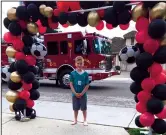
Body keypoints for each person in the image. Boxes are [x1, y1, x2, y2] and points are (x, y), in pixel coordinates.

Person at [69, 56, 90, 126]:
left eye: (81, 63)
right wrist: (75, 93)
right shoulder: (72, 74)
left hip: (83, 95)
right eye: (78, 63)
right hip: (74, 94)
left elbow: (87, 85)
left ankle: (85, 120)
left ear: (83, 64)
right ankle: (75, 120)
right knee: (75, 108)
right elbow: (71, 84)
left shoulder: (85, 74)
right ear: (75, 64)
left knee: (84, 108)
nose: (79, 65)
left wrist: (82, 93)